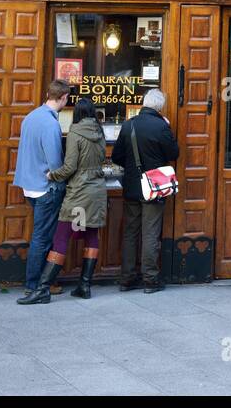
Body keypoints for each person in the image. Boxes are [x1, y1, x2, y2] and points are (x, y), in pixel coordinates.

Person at [19, 98, 110, 305]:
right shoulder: (100, 131)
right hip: (96, 191)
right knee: (90, 235)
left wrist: (53, 175)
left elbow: (69, 167)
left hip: (79, 192)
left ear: (76, 113)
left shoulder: (75, 132)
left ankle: (42, 289)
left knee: (61, 236)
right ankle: (84, 286)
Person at [112, 88, 180, 293]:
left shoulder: (128, 124)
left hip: (132, 186)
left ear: (144, 103)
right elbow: (174, 153)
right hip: (154, 187)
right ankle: (150, 280)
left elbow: (116, 157)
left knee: (131, 233)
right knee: (150, 233)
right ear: (159, 107)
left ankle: (127, 278)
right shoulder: (161, 126)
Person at [14, 79, 70, 303]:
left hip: (29, 184)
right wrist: (60, 179)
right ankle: (34, 286)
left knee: (40, 236)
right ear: (64, 97)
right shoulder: (50, 124)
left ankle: (39, 284)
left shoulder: (31, 117)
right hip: (45, 187)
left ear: (48, 93)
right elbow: (55, 161)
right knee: (42, 238)